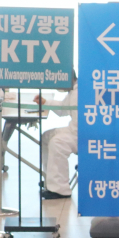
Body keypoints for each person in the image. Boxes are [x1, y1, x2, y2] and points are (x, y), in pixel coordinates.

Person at [35, 71, 78, 200]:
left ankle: (60, 189)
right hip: (74, 130)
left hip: (83, 135)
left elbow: (64, 110)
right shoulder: (74, 90)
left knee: (57, 142)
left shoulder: (80, 91)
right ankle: (51, 181)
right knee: (47, 136)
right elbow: (63, 109)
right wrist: (45, 102)